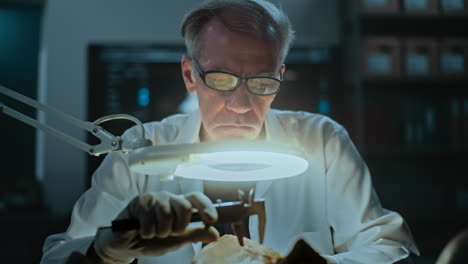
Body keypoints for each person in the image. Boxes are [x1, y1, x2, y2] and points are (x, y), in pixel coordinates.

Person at [40, 0, 419, 263]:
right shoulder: (142, 152)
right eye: (221, 79)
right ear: (190, 75)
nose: (240, 103)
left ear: (280, 77)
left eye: (261, 82)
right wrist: (109, 249)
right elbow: (59, 256)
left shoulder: (320, 142)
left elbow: (388, 245)